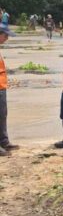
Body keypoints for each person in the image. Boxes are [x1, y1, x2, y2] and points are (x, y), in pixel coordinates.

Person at [0, 24, 18, 156]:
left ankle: (4, 141)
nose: (7, 38)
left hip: (2, 86)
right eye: (5, 36)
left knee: (2, 115)